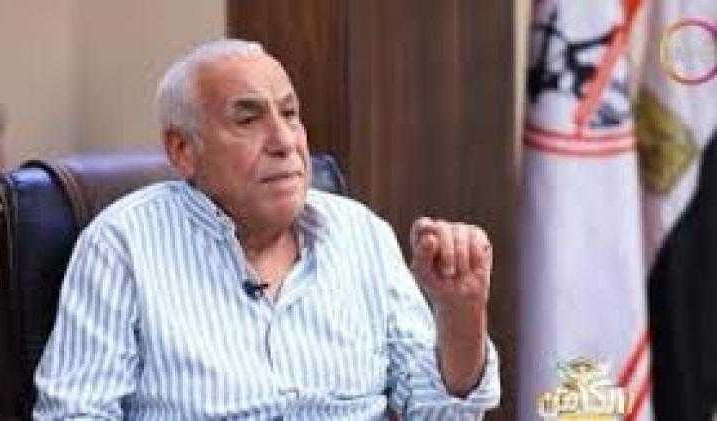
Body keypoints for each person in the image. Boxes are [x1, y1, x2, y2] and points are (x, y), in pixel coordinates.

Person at [33, 39, 500, 420]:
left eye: (290, 114)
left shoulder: (362, 234)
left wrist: (461, 311)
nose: (284, 141)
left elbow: (440, 412)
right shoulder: (122, 245)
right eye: (248, 118)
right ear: (182, 150)